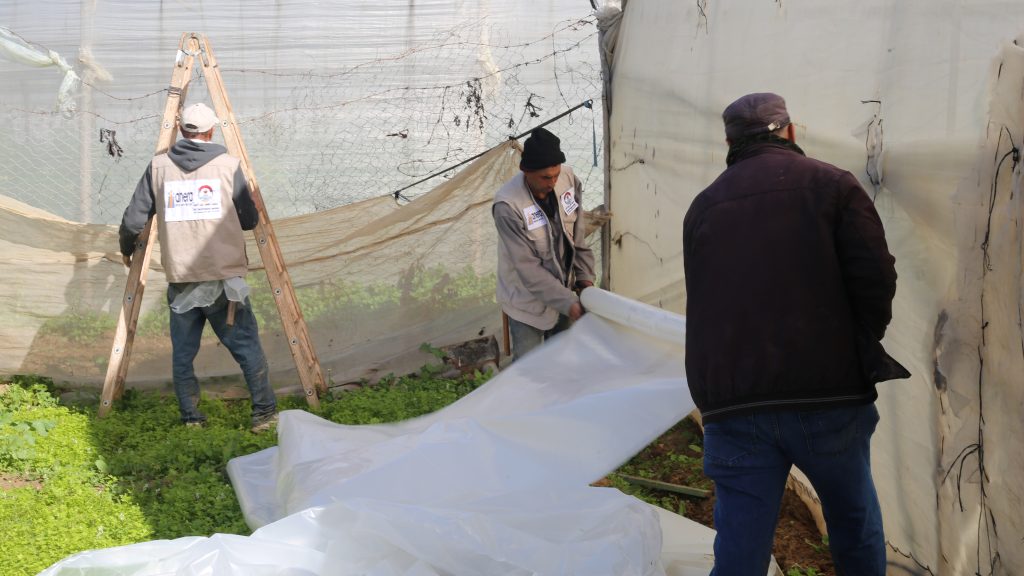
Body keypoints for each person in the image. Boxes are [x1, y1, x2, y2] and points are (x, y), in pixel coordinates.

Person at [682, 93, 910, 575]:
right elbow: (876, 279)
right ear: (790, 130)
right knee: (852, 520)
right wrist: (852, 346)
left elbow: (704, 301)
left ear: (729, 142)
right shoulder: (834, 186)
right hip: (828, 394)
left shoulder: (703, 208)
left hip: (735, 403)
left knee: (740, 541)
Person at [119, 102, 278, 432]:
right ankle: (264, 415)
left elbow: (134, 220)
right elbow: (248, 220)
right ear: (212, 131)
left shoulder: (158, 167)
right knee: (246, 346)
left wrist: (126, 250)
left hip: (182, 277)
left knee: (183, 353)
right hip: (224, 278)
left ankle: (192, 419)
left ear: (180, 129)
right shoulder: (228, 166)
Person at [493, 127, 596, 360]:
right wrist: (569, 303)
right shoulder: (508, 206)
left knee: (562, 361)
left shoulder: (568, 180)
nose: (553, 182)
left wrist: (585, 279)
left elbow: (577, 236)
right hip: (526, 302)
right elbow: (527, 268)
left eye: (556, 174)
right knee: (529, 366)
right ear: (525, 171)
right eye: (545, 178)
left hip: (565, 294)